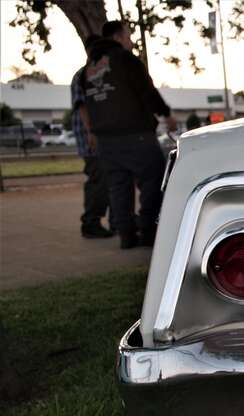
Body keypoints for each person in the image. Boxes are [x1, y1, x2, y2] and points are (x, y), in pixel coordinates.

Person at [81, 20, 177, 249]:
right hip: (136, 134)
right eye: (128, 36)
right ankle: (148, 231)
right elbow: (146, 89)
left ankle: (126, 235)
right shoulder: (125, 59)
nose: (131, 42)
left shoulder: (88, 70)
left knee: (118, 187)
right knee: (153, 180)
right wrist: (165, 114)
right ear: (117, 37)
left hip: (106, 140)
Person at [71, 34, 112, 239]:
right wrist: (91, 131)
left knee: (108, 178)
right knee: (98, 179)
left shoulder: (100, 73)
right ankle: (90, 222)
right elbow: (81, 106)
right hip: (90, 137)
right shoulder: (83, 75)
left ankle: (115, 221)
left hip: (99, 135)